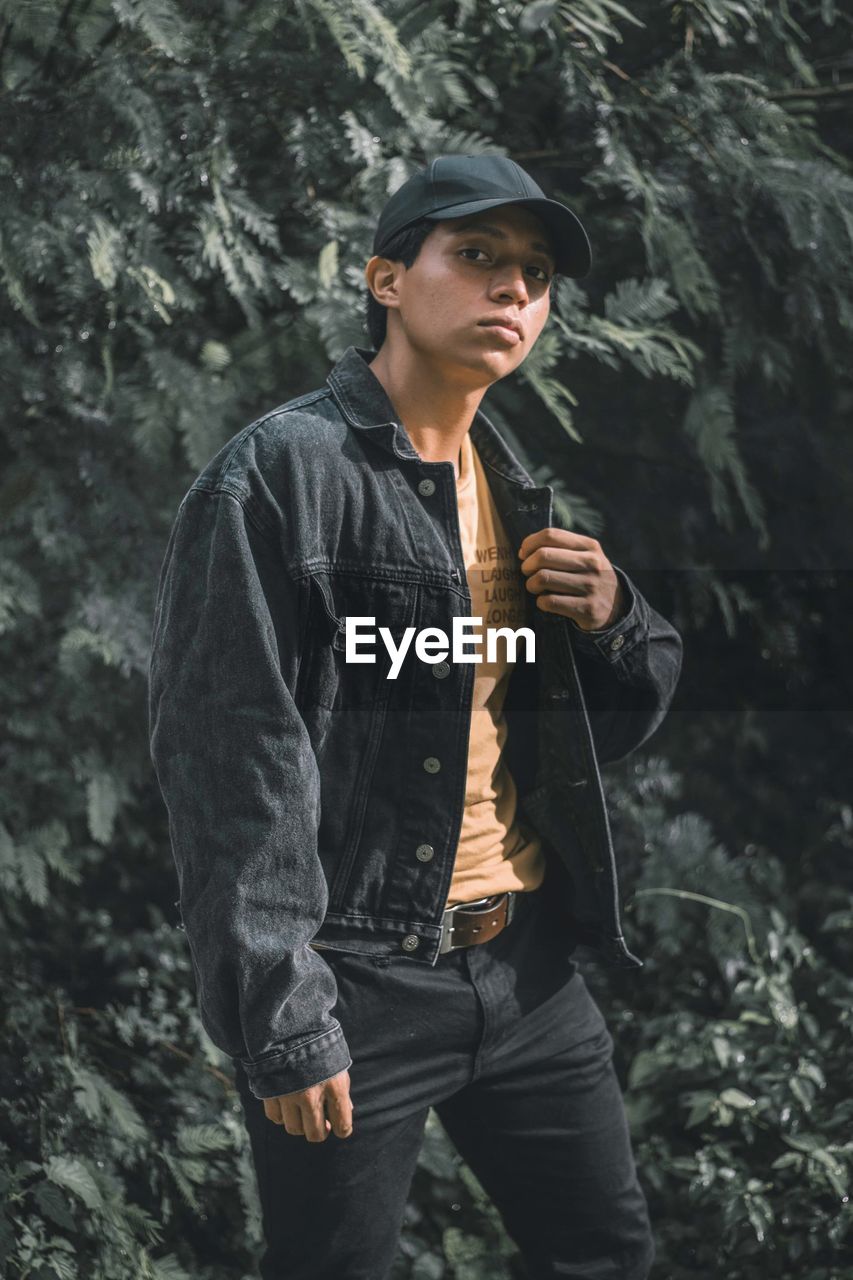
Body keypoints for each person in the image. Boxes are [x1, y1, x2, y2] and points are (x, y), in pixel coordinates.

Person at [148, 153, 683, 1279]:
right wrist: (282, 1015)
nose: (510, 291)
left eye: (533, 273)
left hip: (528, 970)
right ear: (387, 278)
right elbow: (232, 763)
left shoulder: (518, 483)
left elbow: (598, 735)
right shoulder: (279, 477)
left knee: (604, 1255)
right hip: (358, 978)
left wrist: (615, 620)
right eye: (476, 256)